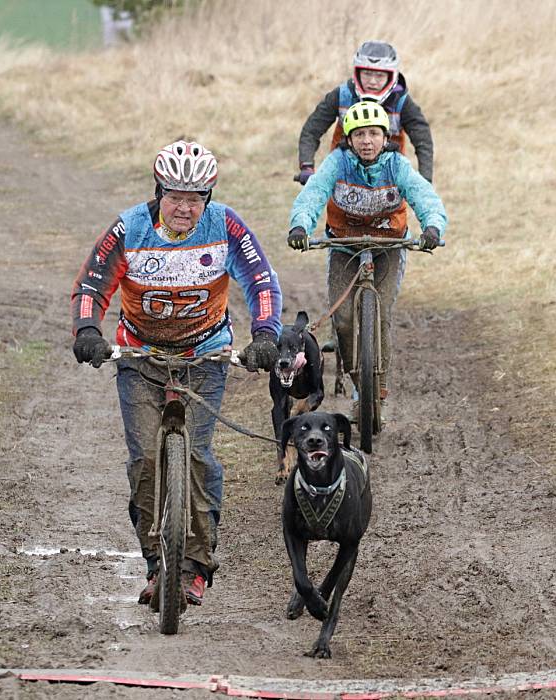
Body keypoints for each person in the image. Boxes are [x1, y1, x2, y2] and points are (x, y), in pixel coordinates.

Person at [71, 140, 281, 608]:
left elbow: (261, 280)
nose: (185, 207)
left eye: (196, 198)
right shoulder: (130, 227)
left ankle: (197, 567)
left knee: (200, 456)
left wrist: (266, 334)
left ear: (208, 197)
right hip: (139, 354)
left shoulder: (225, 225)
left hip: (206, 354)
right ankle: (154, 564)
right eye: (176, 197)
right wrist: (88, 328)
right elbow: (92, 283)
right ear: (158, 191)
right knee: (145, 458)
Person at [287, 101, 446, 423]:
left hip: (389, 246)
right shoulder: (338, 162)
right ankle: (356, 378)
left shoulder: (396, 165)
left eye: (374, 133)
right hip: (344, 245)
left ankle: (379, 389)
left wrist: (432, 227)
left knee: (382, 313)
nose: (367, 141)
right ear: (348, 137)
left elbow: (423, 194)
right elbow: (314, 192)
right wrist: (300, 225)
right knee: (343, 320)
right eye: (359, 134)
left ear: (385, 136)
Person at [295, 40, 434, 186]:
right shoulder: (341, 96)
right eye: (367, 74)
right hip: (344, 177)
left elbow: (423, 141)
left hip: (390, 181)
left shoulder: (402, 102)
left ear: (391, 76)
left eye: (380, 75)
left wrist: (425, 180)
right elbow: (312, 130)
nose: (372, 81)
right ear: (357, 73)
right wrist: (307, 166)